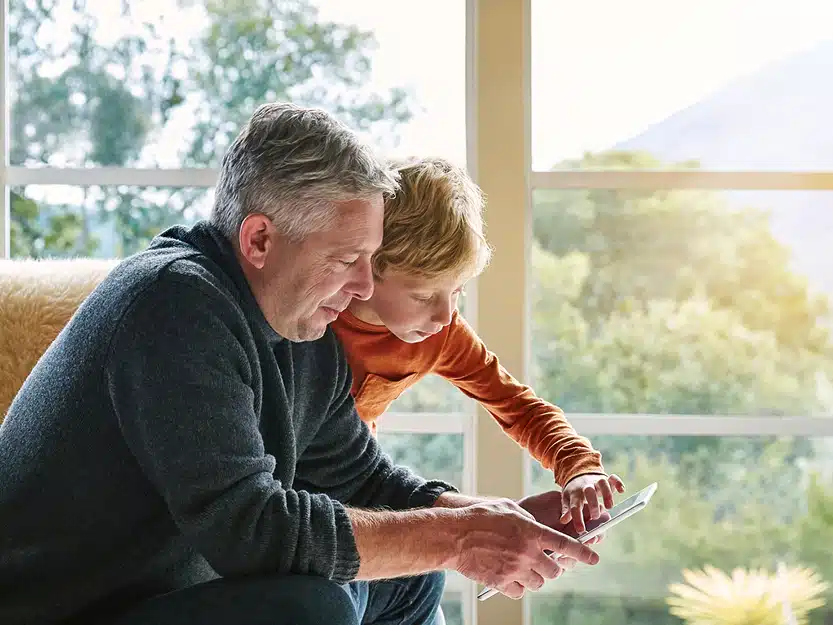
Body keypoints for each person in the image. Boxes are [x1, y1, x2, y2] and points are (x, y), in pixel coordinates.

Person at [0, 103, 601, 625]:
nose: (363, 285)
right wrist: (460, 539)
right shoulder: (173, 303)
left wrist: (490, 518)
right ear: (259, 240)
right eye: (346, 259)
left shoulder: (302, 333)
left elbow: (365, 481)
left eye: (369, 259)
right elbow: (251, 530)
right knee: (311, 611)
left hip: (162, 596)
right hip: (67, 611)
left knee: (413, 578)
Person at [331, 157, 626, 534]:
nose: (445, 315)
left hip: (355, 490)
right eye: (423, 296)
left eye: (457, 291)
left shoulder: (443, 334)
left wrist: (578, 467)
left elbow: (518, 405)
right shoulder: (316, 316)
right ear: (368, 267)